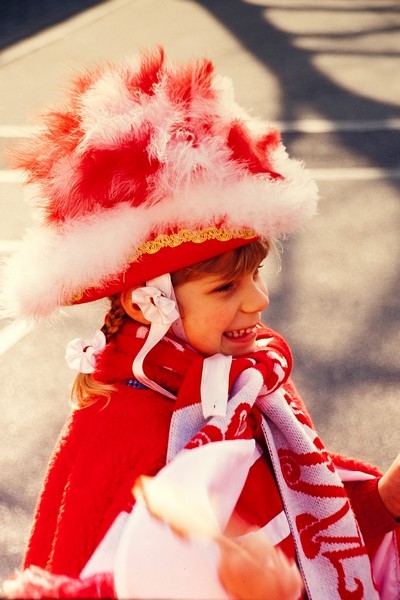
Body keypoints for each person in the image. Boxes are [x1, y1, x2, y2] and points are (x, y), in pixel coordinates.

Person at [1, 47, 399, 599]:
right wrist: (222, 584)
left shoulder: (247, 380)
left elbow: (298, 516)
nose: (259, 301)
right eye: (224, 287)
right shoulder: (128, 428)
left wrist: (381, 502)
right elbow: (104, 579)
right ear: (148, 304)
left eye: (255, 273)